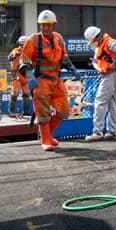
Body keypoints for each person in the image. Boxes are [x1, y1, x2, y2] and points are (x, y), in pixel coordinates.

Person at [20, 10, 81, 151]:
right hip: (41, 81)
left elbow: (64, 56)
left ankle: (48, 135)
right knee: (43, 112)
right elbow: (24, 61)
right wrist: (29, 75)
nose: (46, 28)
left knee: (63, 110)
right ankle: (45, 139)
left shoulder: (59, 38)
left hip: (57, 79)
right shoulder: (33, 40)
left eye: (48, 25)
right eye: (43, 25)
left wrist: (72, 68)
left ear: (53, 25)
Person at [83, 25, 116, 141]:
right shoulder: (99, 47)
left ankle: (97, 131)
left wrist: (113, 65)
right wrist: (100, 69)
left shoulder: (109, 43)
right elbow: (95, 61)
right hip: (112, 75)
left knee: (100, 101)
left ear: (98, 36)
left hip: (111, 76)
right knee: (112, 103)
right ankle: (113, 131)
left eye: (93, 40)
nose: (93, 43)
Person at [7, 35, 32, 117]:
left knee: (26, 94)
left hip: (25, 75)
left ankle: (26, 111)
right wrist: (15, 55)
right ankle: (11, 111)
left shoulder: (29, 52)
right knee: (15, 93)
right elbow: (10, 57)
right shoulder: (16, 51)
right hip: (17, 75)